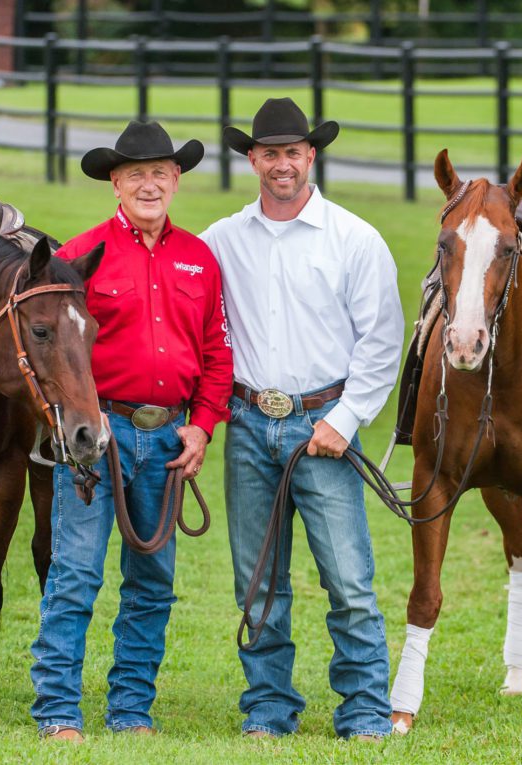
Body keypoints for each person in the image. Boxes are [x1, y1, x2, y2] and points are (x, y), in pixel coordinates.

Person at [200, 98, 404, 741]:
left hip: (324, 424)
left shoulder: (354, 239)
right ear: (252, 160)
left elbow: (381, 340)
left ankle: (365, 708)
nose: (281, 164)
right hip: (251, 422)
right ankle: (268, 705)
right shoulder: (222, 241)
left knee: (348, 578)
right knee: (257, 581)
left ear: (311, 156)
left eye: (293, 152)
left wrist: (345, 420)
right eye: (269, 153)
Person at [30, 121, 233, 743]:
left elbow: (217, 354)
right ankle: (58, 709)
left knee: (154, 583)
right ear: (115, 183)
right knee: (77, 574)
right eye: (136, 174)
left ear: (176, 181)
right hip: (102, 434)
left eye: (161, 174)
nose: (150, 184)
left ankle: (131, 709)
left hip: (170, 438)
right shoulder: (80, 257)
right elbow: (57, 354)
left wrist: (201, 428)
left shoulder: (199, 258)